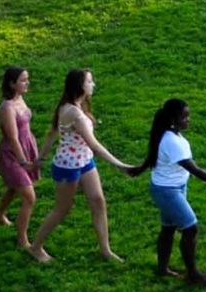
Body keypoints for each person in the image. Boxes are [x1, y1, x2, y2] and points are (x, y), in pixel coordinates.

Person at [26, 68, 139, 263]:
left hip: (84, 161)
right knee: (62, 209)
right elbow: (93, 144)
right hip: (68, 166)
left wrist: (39, 159)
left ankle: (105, 249)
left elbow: (52, 133)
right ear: (80, 86)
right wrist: (120, 165)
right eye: (89, 81)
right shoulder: (74, 113)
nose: (93, 84)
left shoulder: (71, 106)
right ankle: (35, 247)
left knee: (98, 201)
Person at [133, 98, 206, 285]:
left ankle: (162, 269)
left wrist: (138, 169)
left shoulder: (168, 135)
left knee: (168, 228)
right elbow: (196, 170)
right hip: (168, 192)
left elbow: (152, 158)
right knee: (190, 228)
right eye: (185, 117)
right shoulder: (171, 141)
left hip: (171, 188)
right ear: (173, 119)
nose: (188, 120)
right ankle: (193, 274)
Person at [0, 66, 40, 248]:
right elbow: (12, 138)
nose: (27, 83)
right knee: (29, 197)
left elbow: (2, 113)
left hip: (25, 148)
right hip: (12, 155)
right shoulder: (8, 107)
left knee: (14, 188)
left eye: (27, 79)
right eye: (23, 80)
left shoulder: (18, 99)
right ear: (12, 84)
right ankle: (22, 240)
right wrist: (23, 162)